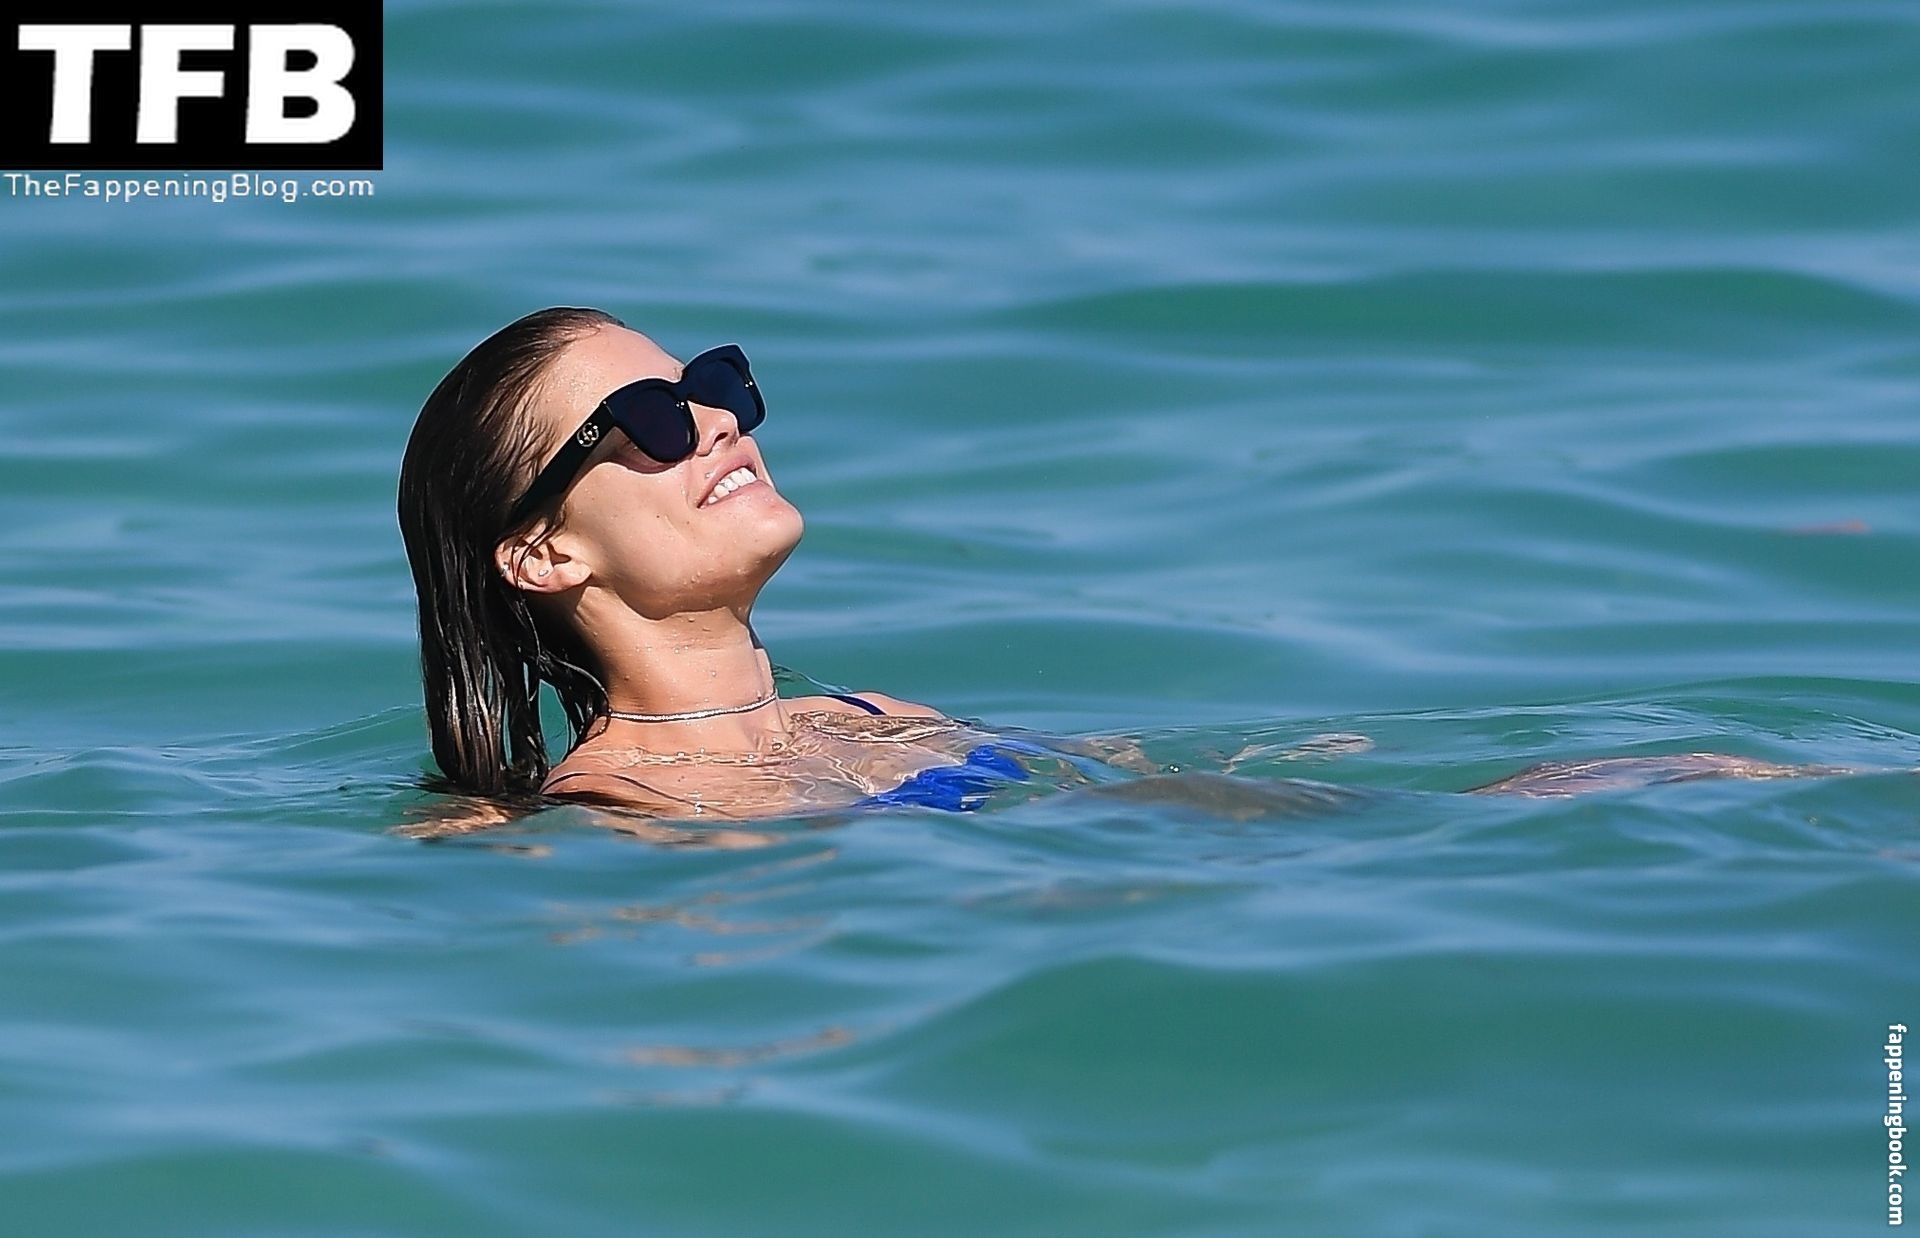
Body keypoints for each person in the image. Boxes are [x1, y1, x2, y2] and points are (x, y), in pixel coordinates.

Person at [398, 306, 1086, 822]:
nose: (718, 421)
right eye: (650, 419)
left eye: (709, 386)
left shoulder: (880, 719)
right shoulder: (609, 810)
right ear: (546, 554)